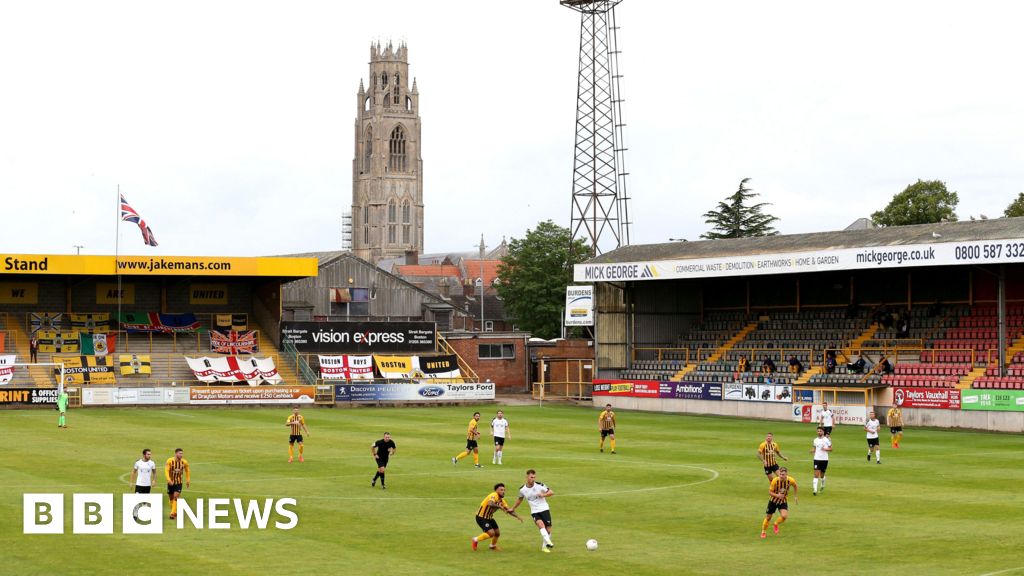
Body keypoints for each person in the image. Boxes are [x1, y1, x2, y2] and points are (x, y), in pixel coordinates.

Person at [512, 469, 555, 552]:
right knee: (541, 525)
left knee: (548, 530)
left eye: (534, 477)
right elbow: (520, 499)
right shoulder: (522, 489)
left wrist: (543, 494)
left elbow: (551, 492)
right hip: (534, 511)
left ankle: (544, 547)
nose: (533, 479)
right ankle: (549, 542)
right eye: (531, 477)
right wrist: (513, 508)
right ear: (527, 477)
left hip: (544, 509)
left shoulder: (540, 485)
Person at [471, 483, 521, 551]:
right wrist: (500, 507)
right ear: (496, 490)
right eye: (501, 490)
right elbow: (490, 503)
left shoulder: (502, 501)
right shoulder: (493, 495)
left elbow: (508, 510)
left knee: (497, 533)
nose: (503, 491)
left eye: (504, 490)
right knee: (491, 533)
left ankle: (492, 546)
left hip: (489, 518)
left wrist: (517, 516)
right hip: (481, 517)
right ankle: (475, 539)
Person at [760, 467, 798, 539]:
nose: (781, 476)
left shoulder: (790, 480)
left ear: (786, 474)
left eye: (783, 474)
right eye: (780, 474)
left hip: (783, 501)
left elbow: (795, 486)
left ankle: (776, 523)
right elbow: (770, 492)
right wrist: (777, 495)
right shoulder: (775, 481)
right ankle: (763, 532)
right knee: (768, 517)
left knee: (784, 516)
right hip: (773, 501)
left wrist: (795, 496)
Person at [165, 448, 190, 520]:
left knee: (176, 497)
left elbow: (187, 471)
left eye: (182, 453)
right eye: (180, 453)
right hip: (170, 482)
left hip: (179, 482)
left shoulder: (184, 462)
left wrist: (188, 480)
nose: (181, 455)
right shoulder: (170, 461)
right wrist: (168, 479)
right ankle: (174, 511)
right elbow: (166, 471)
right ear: (176, 453)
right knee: (171, 498)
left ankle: (172, 514)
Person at [810, 427, 832, 495]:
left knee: (822, 475)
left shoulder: (826, 440)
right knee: (816, 475)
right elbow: (814, 448)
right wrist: (812, 451)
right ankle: (815, 490)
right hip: (816, 459)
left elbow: (831, 449)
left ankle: (822, 485)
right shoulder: (815, 440)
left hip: (824, 459)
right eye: (818, 431)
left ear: (823, 432)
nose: (819, 432)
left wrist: (825, 449)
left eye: (820, 431)